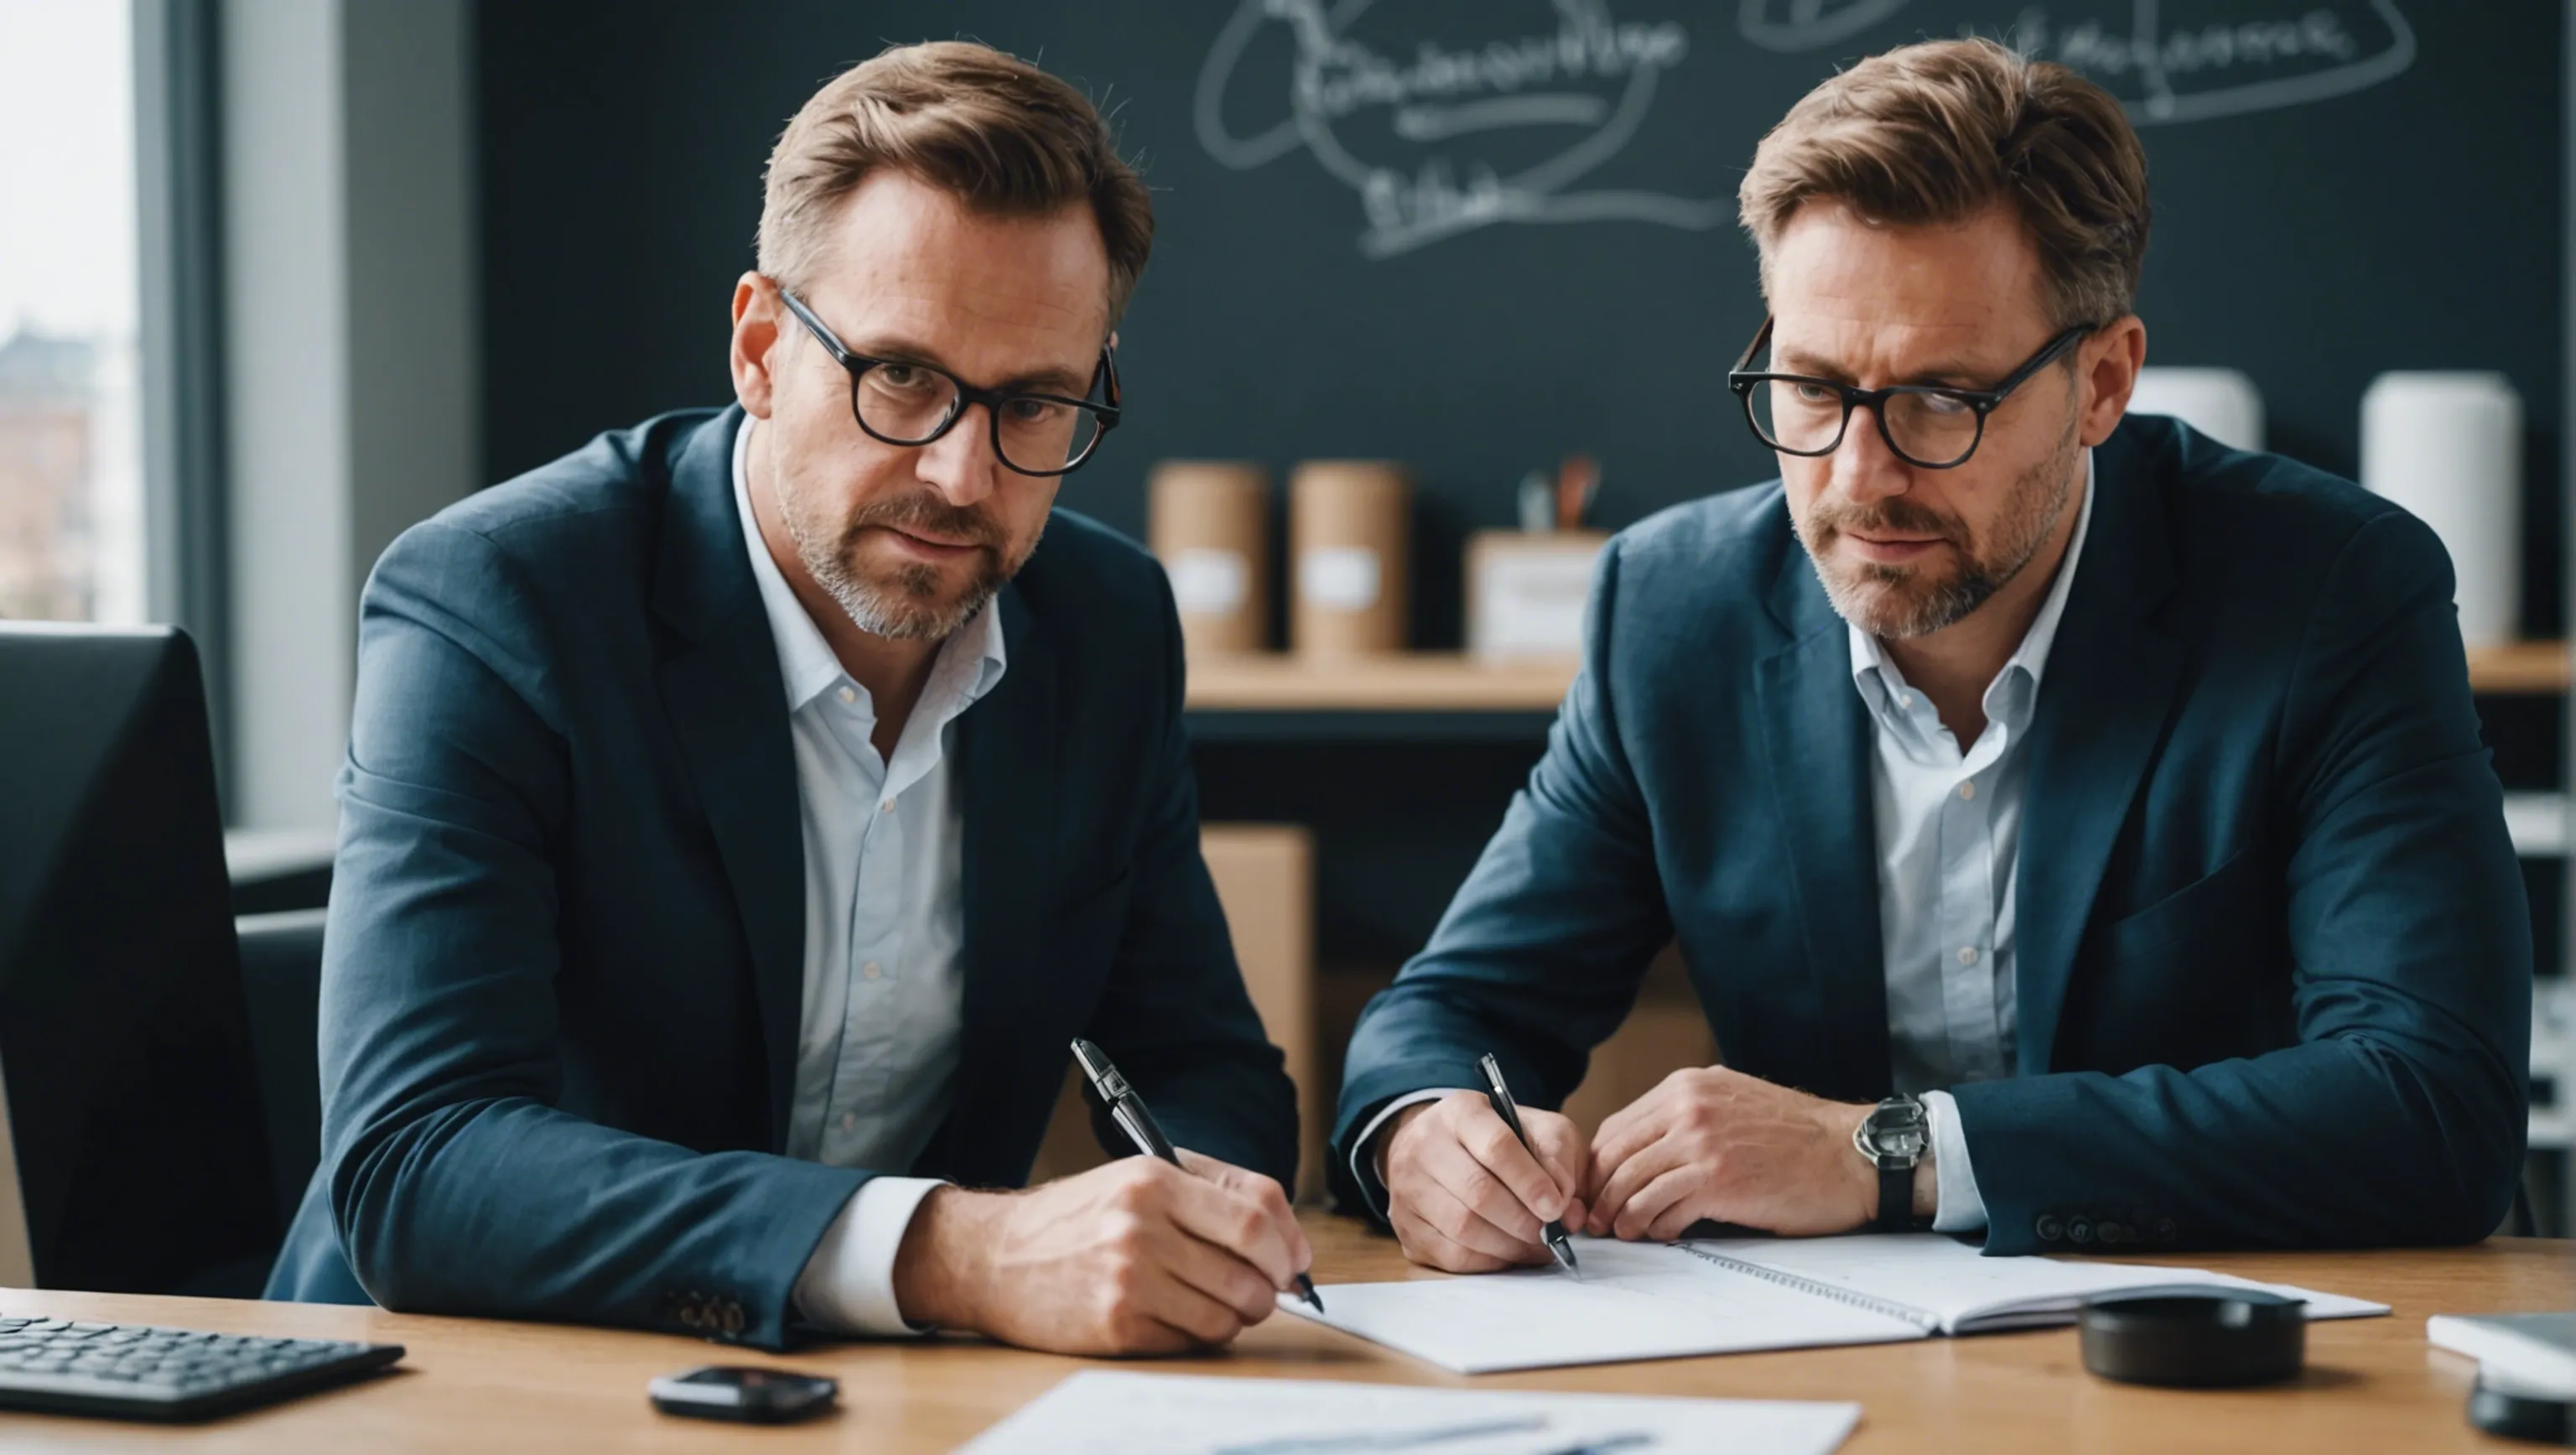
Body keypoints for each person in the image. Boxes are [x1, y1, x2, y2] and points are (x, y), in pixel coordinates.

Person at [1337, 37, 2529, 1271]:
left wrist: (1890, 1154)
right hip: (1837, 1358)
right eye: (1810, 388)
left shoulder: (2332, 591)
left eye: (1941, 400)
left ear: (2103, 382)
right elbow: (1450, 1012)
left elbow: (2433, 1106)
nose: (1859, 478)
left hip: (2236, 1337)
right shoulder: (1670, 609)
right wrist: (1425, 1131)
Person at [267, 41, 1308, 1356]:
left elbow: (1200, 1064)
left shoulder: (1105, 628)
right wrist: (951, 1248)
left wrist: (1194, 1229)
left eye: (1035, 404)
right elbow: (418, 1163)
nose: (962, 473)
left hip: (881, 1401)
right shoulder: (498, 598)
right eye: (904, 378)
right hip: (462, 1386)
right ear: (762, 348)